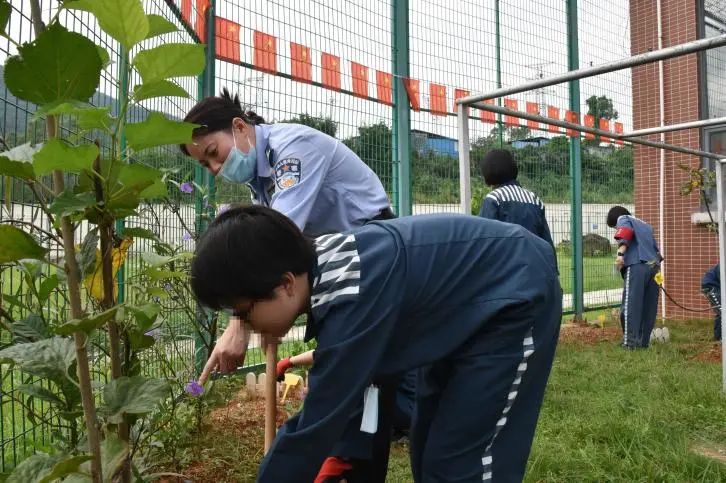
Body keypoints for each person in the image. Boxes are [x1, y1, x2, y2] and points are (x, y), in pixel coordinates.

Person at [191, 205, 562, 483]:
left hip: (513, 296)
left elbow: (318, 422)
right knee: (428, 448)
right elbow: (360, 380)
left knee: (462, 463)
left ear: (286, 284)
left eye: (243, 311)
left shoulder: (349, 292)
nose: (249, 325)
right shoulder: (325, 272)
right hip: (458, 317)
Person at [182, 89, 410, 481]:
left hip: (370, 252)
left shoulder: (292, 150)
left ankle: (351, 459)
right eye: (205, 164)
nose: (215, 168)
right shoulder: (260, 180)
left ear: (239, 128)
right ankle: (361, 452)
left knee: (355, 372)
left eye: (214, 153)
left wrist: (239, 325)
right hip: (335, 266)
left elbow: (276, 245)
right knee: (361, 374)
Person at [606, 206, 662, 349]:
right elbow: (658, 252)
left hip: (637, 265)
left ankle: (629, 343)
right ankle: (643, 343)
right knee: (649, 307)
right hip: (654, 268)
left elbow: (625, 233)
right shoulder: (646, 225)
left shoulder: (623, 219)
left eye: (614, 227)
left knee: (631, 305)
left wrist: (620, 254)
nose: (616, 229)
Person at [478, 149, 555, 252]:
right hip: (533, 263)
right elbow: (547, 243)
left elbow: (484, 241)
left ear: (487, 173)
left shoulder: (494, 199)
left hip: (506, 265)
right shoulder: (534, 199)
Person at [701, 263, 722, 341]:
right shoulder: (723, 265)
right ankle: (719, 339)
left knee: (721, 311)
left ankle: (718, 338)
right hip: (711, 286)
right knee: (723, 311)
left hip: (718, 286)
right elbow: (722, 278)